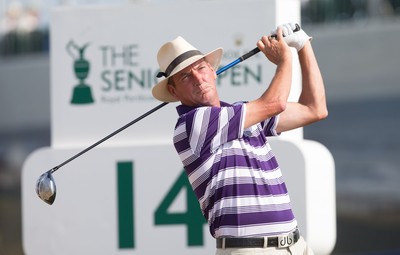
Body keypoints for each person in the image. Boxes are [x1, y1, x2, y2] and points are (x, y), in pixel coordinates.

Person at [152, 23, 327, 255]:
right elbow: (275, 104)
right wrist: (285, 59)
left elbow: (314, 109)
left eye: (201, 68)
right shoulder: (192, 123)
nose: (197, 78)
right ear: (173, 92)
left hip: (295, 245)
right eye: (185, 76)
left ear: (213, 72)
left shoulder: (244, 113)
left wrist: (304, 46)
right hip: (248, 250)